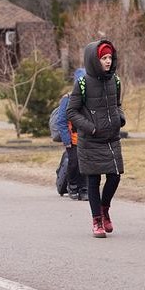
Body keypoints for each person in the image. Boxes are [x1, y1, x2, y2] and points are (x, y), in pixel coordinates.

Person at [66, 40, 125, 238]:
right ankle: (97, 220)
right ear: (95, 60)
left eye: (109, 57)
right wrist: (91, 128)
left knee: (115, 175)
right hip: (90, 140)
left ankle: (104, 208)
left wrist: (120, 118)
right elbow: (72, 112)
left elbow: (117, 104)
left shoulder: (115, 81)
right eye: (103, 58)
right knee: (93, 180)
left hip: (111, 137)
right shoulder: (82, 83)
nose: (108, 62)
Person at [55, 69, 86, 200]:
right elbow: (61, 121)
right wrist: (66, 140)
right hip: (72, 139)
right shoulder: (67, 100)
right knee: (74, 163)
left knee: (86, 164)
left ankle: (84, 188)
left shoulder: (91, 99)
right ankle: (72, 185)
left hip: (87, 139)